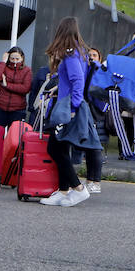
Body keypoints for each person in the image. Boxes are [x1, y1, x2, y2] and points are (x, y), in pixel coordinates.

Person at [39, 17, 91, 207]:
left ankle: (78, 188)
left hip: (66, 108)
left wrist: (72, 107)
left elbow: (77, 81)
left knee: (54, 148)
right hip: (69, 105)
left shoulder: (70, 55)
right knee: (61, 149)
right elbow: (75, 80)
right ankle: (63, 191)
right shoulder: (79, 52)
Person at [80, 47, 108, 192]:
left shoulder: (100, 71)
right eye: (89, 55)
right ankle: (90, 179)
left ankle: (95, 181)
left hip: (96, 114)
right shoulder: (87, 70)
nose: (91, 57)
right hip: (89, 113)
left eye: (94, 55)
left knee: (96, 148)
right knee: (90, 148)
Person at [0, 46, 32, 127]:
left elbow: (25, 88)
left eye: (17, 59)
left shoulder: (27, 70)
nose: (14, 61)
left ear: (22, 58)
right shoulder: (4, 67)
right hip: (0, 106)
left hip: (18, 108)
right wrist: (3, 61)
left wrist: (6, 85)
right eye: (12, 58)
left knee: (14, 136)